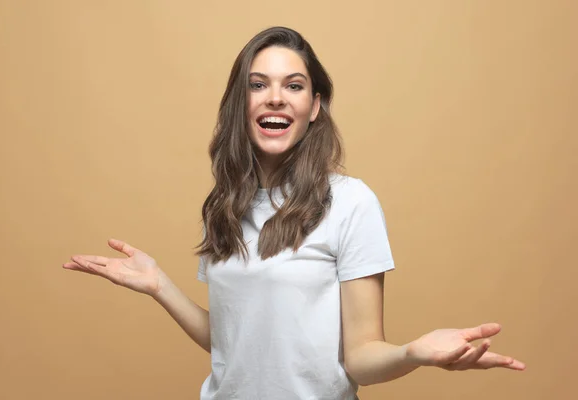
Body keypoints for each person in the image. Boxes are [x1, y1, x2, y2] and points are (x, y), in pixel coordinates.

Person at [63, 26, 525, 399]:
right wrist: (159, 285)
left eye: (294, 86)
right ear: (239, 105)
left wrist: (412, 353)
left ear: (314, 107)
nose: (275, 98)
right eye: (257, 85)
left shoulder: (350, 202)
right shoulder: (224, 204)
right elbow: (234, 342)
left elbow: (360, 355)